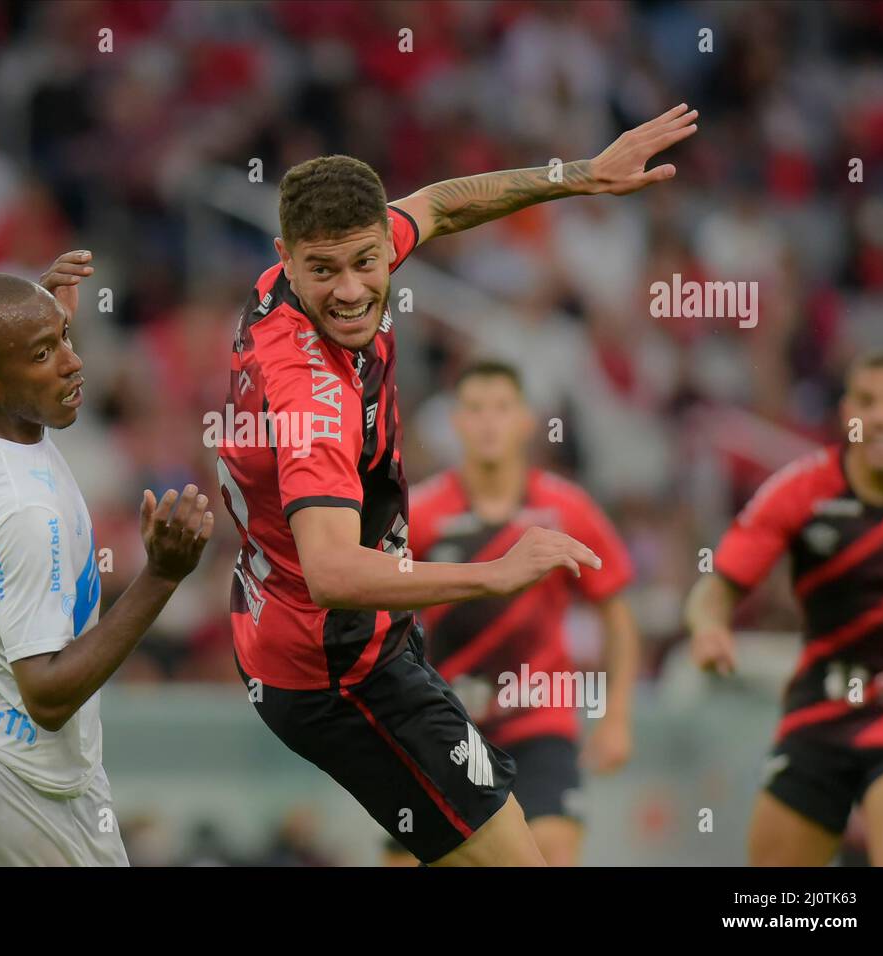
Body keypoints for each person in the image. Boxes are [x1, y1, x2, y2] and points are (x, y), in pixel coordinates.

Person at [217, 104, 697, 866]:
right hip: (340, 672)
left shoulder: (307, 272)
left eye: (367, 262)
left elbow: (439, 204)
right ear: (285, 255)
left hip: (330, 641)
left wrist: (583, 177)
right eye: (325, 271)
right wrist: (495, 574)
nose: (349, 291)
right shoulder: (313, 396)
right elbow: (334, 572)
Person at [0, 253, 213, 866]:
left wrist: (32, 308)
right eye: (43, 355)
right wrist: (161, 576)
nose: (74, 363)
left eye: (64, 338)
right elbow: (44, 692)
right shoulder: (23, 508)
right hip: (15, 775)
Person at [408, 360, 639, 866]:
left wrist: (617, 714)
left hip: (540, 722)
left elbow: (617, 613)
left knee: (552, 850)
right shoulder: (420, 513)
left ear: (526, 421)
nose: (489, 421)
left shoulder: (567, 510)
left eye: (501, 408)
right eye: (475, 409)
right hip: (447, 721)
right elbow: (377, 601)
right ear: (457, 422)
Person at [685, 348, 883, 866]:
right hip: (819, 712)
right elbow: (715, 588)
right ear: (846, 412)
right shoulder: (799, 490)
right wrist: (708, 627)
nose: (880, 416)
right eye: (867, 401)